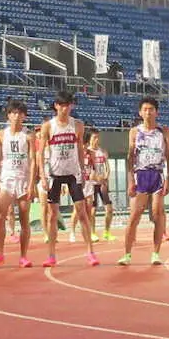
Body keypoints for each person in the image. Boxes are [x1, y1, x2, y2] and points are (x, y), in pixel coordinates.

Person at [38, 91, 99, 267]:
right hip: (55, 174)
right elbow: (40, 153)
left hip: (73, 174)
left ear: (71, 106)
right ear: (56, 106)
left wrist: (83, 171)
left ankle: (90, 252)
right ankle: (51, 255)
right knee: (52, 216)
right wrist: (42, 175)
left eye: (68, 105)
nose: (65, 109)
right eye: (62, 105)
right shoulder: (48, 126)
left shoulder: (78, 125)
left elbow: (80, 149)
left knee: (82, 213)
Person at [117, 97, 169, 266]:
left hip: (157, 174)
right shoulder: (135, 131)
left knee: (157, 213)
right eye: (145, 109)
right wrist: (130, 181)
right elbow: (130, 157)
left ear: (157, 112)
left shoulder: (164, 131)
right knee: (134, 216)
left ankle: (156, 253)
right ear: (140, 112)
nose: (148, 112)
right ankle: (126, 254)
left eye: (151, 109)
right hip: (140, 175)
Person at [0, 99, 36, 267]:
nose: (16, 116)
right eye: (13, 113)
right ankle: (0, 253)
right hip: (7, 179)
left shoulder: (28, 135)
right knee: (0, 215)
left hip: (23, 179)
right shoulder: (1, 134)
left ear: (24, 116)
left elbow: (32, 161)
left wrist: (31, 184)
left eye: (19, 113)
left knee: (24, 219)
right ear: (8, 115)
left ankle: (23, 256)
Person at [88, 131, 114, 242]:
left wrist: (106, 176)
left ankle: (107, 232)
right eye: (94, 138)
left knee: (109, 209)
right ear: (90, 139)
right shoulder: (87, 152)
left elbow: (107, 166)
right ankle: (92, 233)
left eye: (98, 138)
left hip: (102, 183)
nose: (96, 140)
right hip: (92, 184)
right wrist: (95, 177)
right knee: (92, 211)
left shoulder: (102, 151)